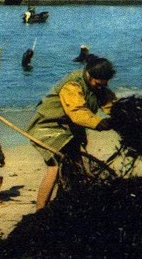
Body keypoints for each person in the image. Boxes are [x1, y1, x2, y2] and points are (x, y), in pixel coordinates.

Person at [26, 56, 117, 210]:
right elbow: (77, 112)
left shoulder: (97, 87)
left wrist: (122, 114)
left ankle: (67, 202)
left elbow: (110, 104)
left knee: (76, 168)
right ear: (89, 75)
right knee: (54, 168)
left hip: (70, 130)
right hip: (48, 127)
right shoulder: (72, 85)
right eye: (98, 83)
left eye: (104, 84)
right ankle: (40, 211)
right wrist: (99, 123)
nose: (101, 87)